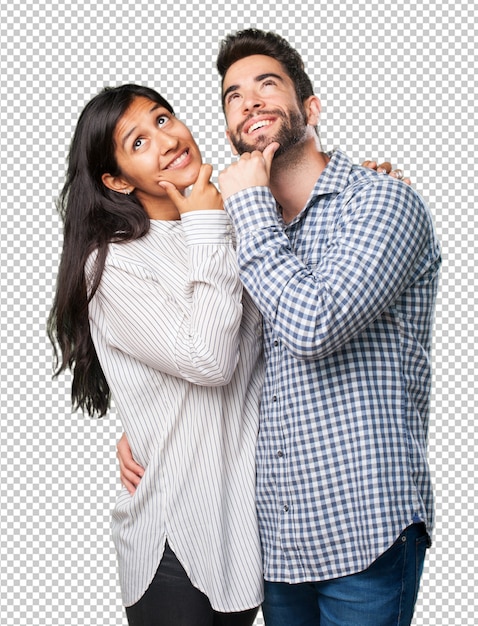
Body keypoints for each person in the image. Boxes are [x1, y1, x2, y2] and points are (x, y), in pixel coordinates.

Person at [215, 29, 441, 626]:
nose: (251, 102)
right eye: (234, 96)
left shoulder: (383, 203)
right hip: (279, 536)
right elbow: (214, 353)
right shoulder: (244, 227)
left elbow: (314, 325)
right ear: (233, 129)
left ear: (310, 108)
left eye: (268, 84)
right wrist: (144, 425)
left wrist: (247, 209)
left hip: (364, 527)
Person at [47, 83, 264, 626]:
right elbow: (209, 361)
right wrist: (206, 224)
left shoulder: (240, 222)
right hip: (173, 536)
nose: (165, 141)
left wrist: (370, 176)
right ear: (118, 180)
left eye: (164, 120)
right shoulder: (113, 264)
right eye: (138, 142)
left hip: (247, 529)